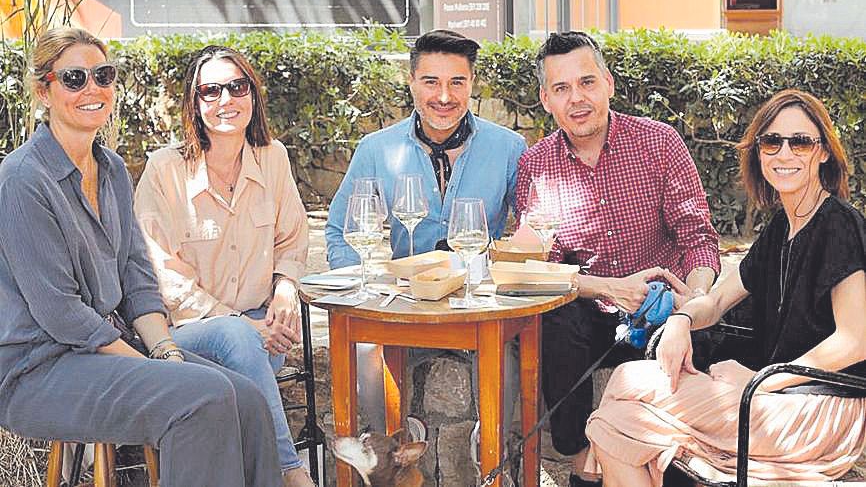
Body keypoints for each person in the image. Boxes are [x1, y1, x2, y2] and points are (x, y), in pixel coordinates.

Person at [0, 27, 282, 486]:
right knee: (204, 397)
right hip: (38, 371)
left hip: (105, 352)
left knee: (246, 398)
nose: (92, 89)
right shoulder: (21, 181)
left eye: (103, 75)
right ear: (43, 90)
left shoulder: (109, 168)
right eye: (74, 78)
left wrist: (165, 350)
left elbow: (137, 279)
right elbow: (62, 313)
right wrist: (146, 363)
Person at [585, 89, 866, 486]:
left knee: (617, 412)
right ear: (759, 153)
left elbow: (856, 341)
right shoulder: (782, 229)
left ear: (823, 152)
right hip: (775, 400)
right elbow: (715, 301)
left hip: (815, 409)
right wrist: (682, 319)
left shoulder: (838, 224)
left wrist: (759, 379)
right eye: (772, 141)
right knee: (617, 421)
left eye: (800, 142)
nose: (784, 154)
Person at [517, 31, 720, 486]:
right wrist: (609, 287)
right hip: (589, 313)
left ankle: (683, 462)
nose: (577, 99)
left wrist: (693, 299)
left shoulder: (660, 142)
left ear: (608, 83)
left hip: (660, 309)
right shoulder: (536, 165)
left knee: (703, 337)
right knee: (554, 324)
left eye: (587, 82)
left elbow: (699, 239)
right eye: (561, 88)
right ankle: (581, 463)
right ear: (546, 100)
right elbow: (538, 269)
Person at [324, 30, 527, 441]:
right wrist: (370, 288)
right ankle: (399, 441)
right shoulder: (376, 149)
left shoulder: (510, 147)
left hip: (478, 308)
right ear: (412, 82)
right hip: (402, 306)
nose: (444, 96)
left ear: (472, 84)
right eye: (431, 82)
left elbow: (530, 232)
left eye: (457, 82)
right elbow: (340, 230)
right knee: (366, 351)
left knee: (507, 357)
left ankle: (490, 449)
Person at [133, 45, 314, 486]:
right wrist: (240, 325)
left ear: (252, 95)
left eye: (237, 87)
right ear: (194, 104)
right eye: (210, 91)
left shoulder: (273, 158)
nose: (225, 100)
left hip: (262, 330)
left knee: (243, 370)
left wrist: (286, 287)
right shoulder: (165, 170)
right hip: (186, 333)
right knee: (240, 348)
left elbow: (292, 236)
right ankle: (290, 472)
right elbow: (162, 274)